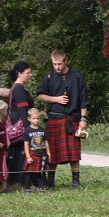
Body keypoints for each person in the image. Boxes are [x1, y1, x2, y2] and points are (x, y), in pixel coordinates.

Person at [36, 50, 89, 188]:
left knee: (74, 153)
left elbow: (84, 100)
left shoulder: (77, 76)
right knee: (52, 152)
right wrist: (56, 99)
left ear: (66, 61)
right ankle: (50, 181)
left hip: (72, 118)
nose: (57, 67)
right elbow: (40, 95)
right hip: (54, 118)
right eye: (54, 64)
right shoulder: (49, 76)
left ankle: (75, 181)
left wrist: (83, 119)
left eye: (59, 64)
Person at [6, 62, 34, 190]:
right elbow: (24, 112)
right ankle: (22, 182)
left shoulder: (16, 88)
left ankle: (17, 181)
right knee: (22, 153)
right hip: (21, 125)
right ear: (19, 73)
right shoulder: (18, 89)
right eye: (28, 73)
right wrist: (29, 130)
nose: (30, 75)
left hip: (17, 122)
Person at [23, 108, 48, 193]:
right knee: (29, 172)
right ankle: (27, 188)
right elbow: (26, 144)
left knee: (39, 172)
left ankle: (40, 187)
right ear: (29, 119)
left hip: (40, 154)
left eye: (38, 118)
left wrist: (48, 153)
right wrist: (28, 156)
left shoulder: (42, 130)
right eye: (34, 118)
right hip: (32, 153)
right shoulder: (27, 130)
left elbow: (46, 142)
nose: (36, 120)